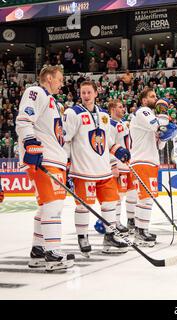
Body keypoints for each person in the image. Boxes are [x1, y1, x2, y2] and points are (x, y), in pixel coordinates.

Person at [16, 66, 74, 271]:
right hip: (43, 158)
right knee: (53, 206)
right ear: (48, 78)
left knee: (46, 206)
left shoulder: (54, 102)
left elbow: (57, 135)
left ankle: (38, 250)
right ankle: (52, 252)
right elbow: (24, 119)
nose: (61, 82)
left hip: (54, 159)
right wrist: (30, 143)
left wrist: (66, 163)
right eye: (59, 78)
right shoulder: (36, 92)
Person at [64, 81, 130, 256]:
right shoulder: (73, 113)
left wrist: (119, 151)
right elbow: (65, 139)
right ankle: (82, 236)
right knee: (83, 205)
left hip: (103, 169)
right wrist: (66, 163)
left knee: (110, 203)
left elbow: (107, 142)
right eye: (83, 92)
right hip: (83, 169)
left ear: (95, 93)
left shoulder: (104, 115)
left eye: (89, 92)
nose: (86, 95)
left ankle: (109, 236)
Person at [129, 91, 177, 246]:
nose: (155, 99)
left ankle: (142, 230)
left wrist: (166, 135)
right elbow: (157, 126)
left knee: (147, 198)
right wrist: (164, 115)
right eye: (152, 96)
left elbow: (161, 142)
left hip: (150, 160)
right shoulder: (143, 111)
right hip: (142, 160)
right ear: (144, 100)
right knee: (145, 198)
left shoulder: (151, 114)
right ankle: (139, 232)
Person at [108, 99, 136, 234]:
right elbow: (109, 145)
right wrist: (113, 165)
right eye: (120, 107)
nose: (123, 109)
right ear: (112, 109)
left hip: (127, 166)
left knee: (132, 194)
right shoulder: (110, 124)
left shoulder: (122, 124)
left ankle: (131, 220)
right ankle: (116, 221)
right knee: (118, 196)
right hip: (119, 166)